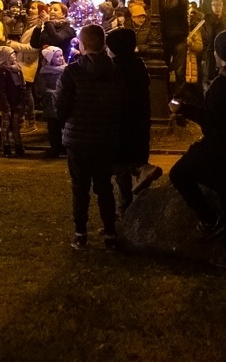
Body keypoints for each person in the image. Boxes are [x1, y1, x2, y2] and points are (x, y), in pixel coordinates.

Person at [169, 30, 226, 269]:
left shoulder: (222, 85)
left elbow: (212, 123)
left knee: (180, 173)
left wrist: (183, 110)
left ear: (221, 54)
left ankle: (210, 219)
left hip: (219, 147)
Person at [57, 24, 125, 251]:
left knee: (80, 187)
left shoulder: (72, 71)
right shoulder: (115, 71)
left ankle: (80, 234)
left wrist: (67, 122)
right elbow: (121, 103)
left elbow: (61, 106)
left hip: (78, 139)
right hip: (106, 137)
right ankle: (110, 234)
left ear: (83, 44)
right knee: (104, 186)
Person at [106, 27, 161, 208]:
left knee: (118, 166)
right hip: (140, 124)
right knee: (128, 167)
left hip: (121, 125)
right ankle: (131, 214)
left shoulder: (115, 70)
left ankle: (141, 170)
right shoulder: (138, 65)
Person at [0, 44, 28, 157]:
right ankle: (6, 146)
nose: (14, 55)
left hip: (17, 102)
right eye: (11, 54)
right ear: (5, 57)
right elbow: (1, 91)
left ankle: (18, 146)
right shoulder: (2, 72)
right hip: (8, 103)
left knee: (16, 125)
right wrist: (5, 105)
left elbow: (21, 86)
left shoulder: (16, 69)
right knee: (6, 126)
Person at [35, 45, 67, 158]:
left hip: (64, 103)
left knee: (65, 126)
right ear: (50, 59)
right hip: (51, 103)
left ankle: (65, 147)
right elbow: (42, 88)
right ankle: (55, 147)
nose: (60, 58)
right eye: (57, 57)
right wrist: (51, 92)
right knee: (53, 127)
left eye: (61, 55)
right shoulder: (45, 72)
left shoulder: (66, 70)